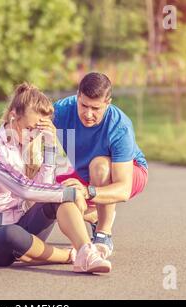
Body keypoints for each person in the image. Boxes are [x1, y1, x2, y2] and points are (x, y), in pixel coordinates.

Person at [0, 83, 112, 274]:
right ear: (13, 116)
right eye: (29, 128)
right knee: (12, 234)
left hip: (21, 226)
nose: (33, 135)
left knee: (58, 199)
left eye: (38, 131)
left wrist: (50, 144)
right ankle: (69, 256)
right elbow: (23, 189)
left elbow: (44, 191)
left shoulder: (27, 148)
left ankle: (86, 251)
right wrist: (70, 192)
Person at [53, 72, 148, 259]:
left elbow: (123, 189)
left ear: (108, 103)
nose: (88, 114)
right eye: (84, 105)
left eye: (96, 108)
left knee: (100, 165)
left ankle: (103, 234)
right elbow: (28, 122)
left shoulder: (120, 126)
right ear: (77, 96)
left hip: (129, 172)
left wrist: (87, 192)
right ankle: (93, 216)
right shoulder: (61, 110)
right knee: (45, 187)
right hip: (84, 174)